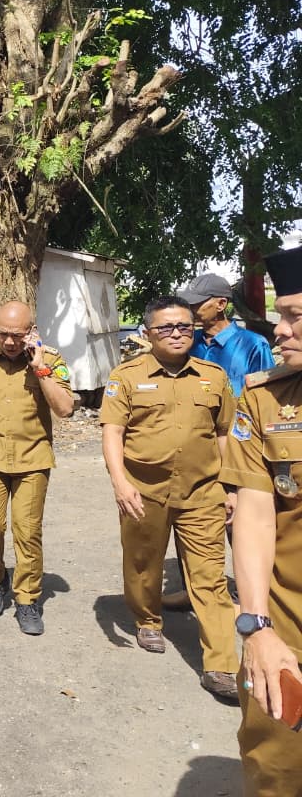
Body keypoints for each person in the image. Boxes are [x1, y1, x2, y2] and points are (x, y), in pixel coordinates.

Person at [99, 296, 239, 699]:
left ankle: (221, 666)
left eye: (184, 326)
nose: (177, 333)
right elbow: (113, 431)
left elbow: (224, 432)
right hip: (144, 492)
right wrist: (120, 481)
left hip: (203, 492)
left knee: (210, 578)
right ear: (148, 334)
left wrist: (229, 485)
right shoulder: (126, 377)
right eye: (166, 328)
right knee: (143, 564)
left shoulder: (213, 377)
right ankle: (147, 619)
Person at [222, 245, 302, 795]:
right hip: (288, 623)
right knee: (276, 766)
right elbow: (254, 513)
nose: (280, 329)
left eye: (295, 315)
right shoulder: (267, 402)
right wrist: (257, 625)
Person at [0, 301, 74, 636]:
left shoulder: (49, 359)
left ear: (31, 331)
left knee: (27, 531)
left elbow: (65, 409)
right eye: (3, 334)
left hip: (33, 460)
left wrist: (40, 369)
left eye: (17, 336)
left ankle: (27, 597)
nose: (9, 342)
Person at [162, 273, 273, 611]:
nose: (190, 309)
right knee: (189, 519)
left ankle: (256, 599)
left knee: (240, 523)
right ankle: (195, 591)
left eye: (197, 303)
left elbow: (266, 400)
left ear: (221, 304)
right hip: (192, 449)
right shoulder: (187, 343)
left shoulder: (253, 346)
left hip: (240, 449)